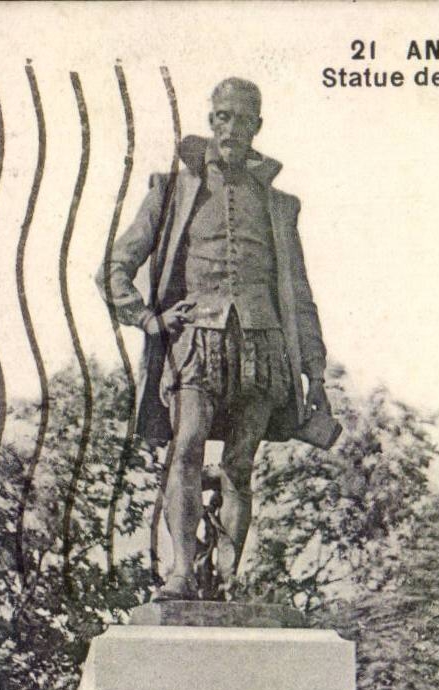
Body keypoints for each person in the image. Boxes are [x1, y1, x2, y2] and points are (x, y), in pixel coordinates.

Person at [97, 77, 335, 598]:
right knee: (186, 447)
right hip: (193, 344)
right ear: (211, 121)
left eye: (243, 119)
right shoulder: (172, 190)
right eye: (223, 117)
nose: (231, 128)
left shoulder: (279, 206)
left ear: (257, 126)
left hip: (263, 347)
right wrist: (148, 319)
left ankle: (228, 578)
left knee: (240, 465)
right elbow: (114, 267)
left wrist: (316, 374)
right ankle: (181, 573)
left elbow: (299, 294)